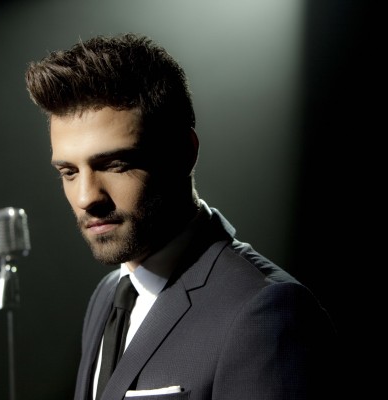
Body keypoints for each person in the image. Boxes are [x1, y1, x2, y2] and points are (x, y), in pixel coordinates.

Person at [25, 33, 339, 400]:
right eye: (69, 172)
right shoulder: (109, 295)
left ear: (183, 153)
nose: (86, 197)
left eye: (115, 164)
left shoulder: (266, 313)